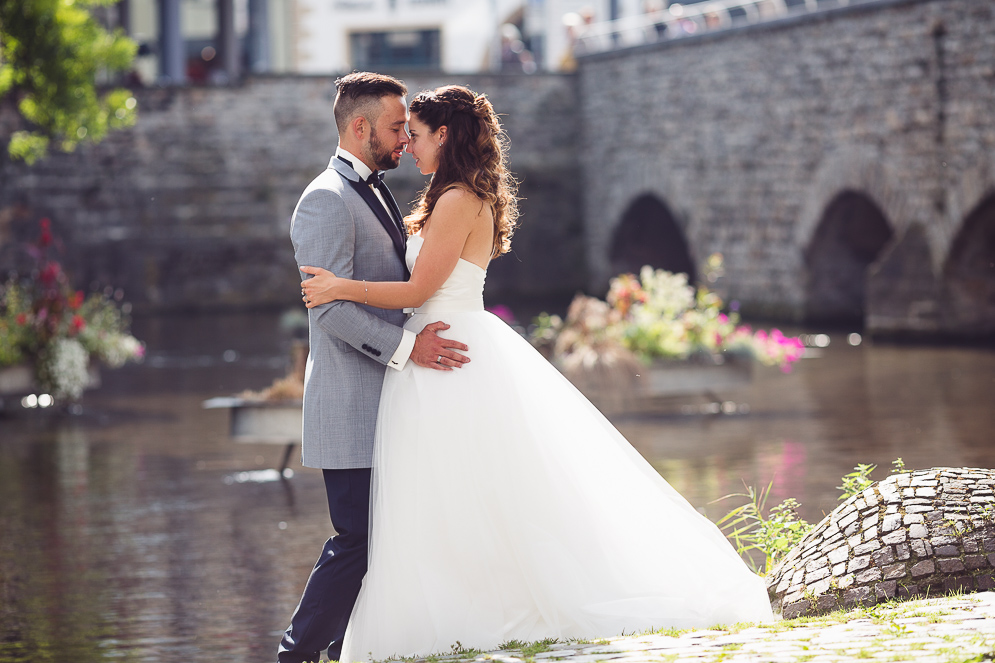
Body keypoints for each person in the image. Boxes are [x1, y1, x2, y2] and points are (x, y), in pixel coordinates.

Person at [300, 85, 774, 663]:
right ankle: (444, 613)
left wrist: (341, 287)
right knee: (446, 499)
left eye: (415, 133)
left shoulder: (457, 199)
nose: (408, 144)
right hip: (426, 356)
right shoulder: (430, 195)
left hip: (447, 353)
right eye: (401, 131)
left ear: (442, 135)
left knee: (469, 495)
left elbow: (420, 288)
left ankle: (453, 618)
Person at [279, 72, 471, 663]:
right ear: (358, 127)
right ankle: (296, 655)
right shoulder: (325, 199)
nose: (403, 141)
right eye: (394, 128)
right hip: (350, 403)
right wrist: (409, 347)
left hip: (390, 402)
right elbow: (331, 309)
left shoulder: (378, 187)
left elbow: (396, 289)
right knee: (356, 539)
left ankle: (344, 653)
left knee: (382, 540)